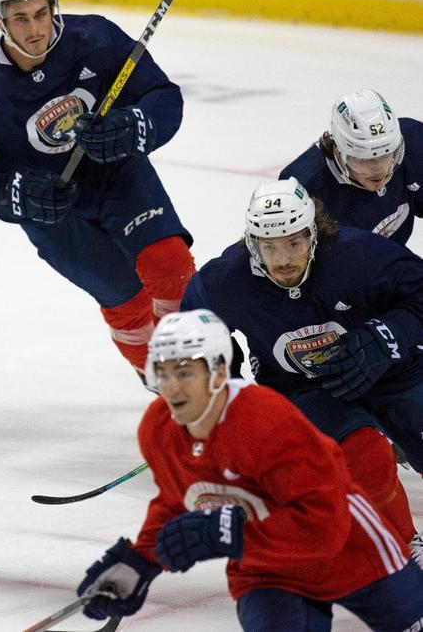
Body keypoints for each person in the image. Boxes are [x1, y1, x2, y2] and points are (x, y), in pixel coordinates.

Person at [75, 309, 423, 629]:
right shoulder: (158, 428)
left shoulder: (266, 422)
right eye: (162, 373)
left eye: (184, 372)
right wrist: (140, 562)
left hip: (352, 551)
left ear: (219, 373)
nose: (172, 387)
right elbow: (178, 500)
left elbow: (325, 522)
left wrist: (228, 534)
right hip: (267, 571)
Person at [0, 0, 196, 381]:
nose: (35, 29)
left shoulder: (96, 39)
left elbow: (163, 97)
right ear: (0, 21)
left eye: (41, 13)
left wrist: (132, 126)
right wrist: (14, 194)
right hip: (52, 213)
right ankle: (165, 385)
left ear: (54, 7)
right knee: (124, 298)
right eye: (20, 19)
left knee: (171, 267)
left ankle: (205, 372)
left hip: (117, 177)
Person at [180, 177, 423, 556]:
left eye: (294, 242)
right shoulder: (225, 281)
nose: (283, 259)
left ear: (314, 234)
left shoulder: (357, 255)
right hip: (303, 388)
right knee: (368, 457)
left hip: (386, 366)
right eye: (269, 246)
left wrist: (388, 334)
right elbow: (196, 337)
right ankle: (406, 550)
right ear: (252, 241)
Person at [280, 88, 422, 247]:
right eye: (365, 159)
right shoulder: (302, 189)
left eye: (385, 155)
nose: (378, 169)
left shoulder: (415, 140)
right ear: (337, 150)